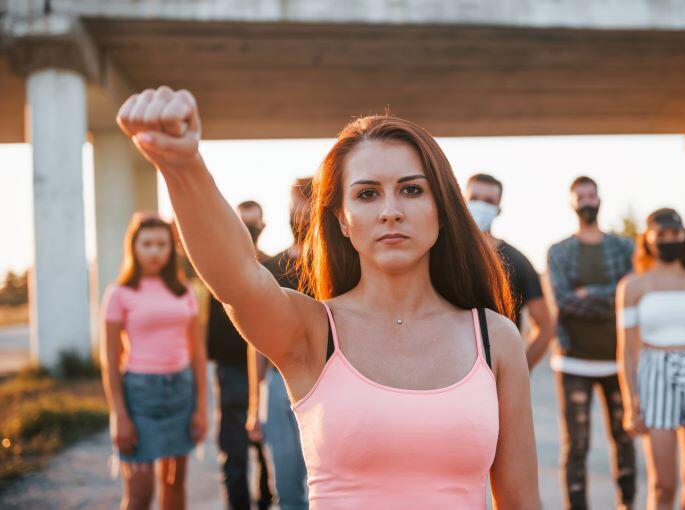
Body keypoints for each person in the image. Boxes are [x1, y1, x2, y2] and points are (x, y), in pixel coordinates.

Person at [116, 85, 541, 509]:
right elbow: (239, 278)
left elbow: (521, 502)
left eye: (411, 190)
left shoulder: (495, 338)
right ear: (342, 219)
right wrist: (183, 165)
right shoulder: (312, 331)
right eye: (367, 194)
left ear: (441, 208)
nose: (390, 210)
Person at [616, 208, 685, 510]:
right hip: (655, 374)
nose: (669, 240)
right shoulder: (632, 286)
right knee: (662, 485)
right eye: (661, 235)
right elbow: (626, 350)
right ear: (648, 239)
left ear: (684, 236)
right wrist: (631, 405)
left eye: (674, 233)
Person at [100, 213, 207, 510]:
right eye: (146, 244)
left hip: (181, 393)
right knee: (139, 494)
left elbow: (197, 352)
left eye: (162, 244)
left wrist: (201, 409)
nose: (155, 251)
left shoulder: (184, 292)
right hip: (140, 396)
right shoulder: (118, 294)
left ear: (172, 248)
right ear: (133, 247)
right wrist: (119, 415)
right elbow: (109, 359)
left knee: (175, 485)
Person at [546, 176, 636, 510]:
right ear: (572, 203)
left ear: (600, 199)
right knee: (576, 447)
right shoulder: (559, 250)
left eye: (591, 195)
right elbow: (564, 301)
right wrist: (610, 295)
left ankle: (626, 504)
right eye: (580, 196)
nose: (586, 201)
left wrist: (588, 294)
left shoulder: (624, 247)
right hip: (573, 362)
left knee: (625, 439)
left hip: (619, 360)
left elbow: (630, 296)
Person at [246, 178, 314, 510]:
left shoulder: (343, 268)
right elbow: (256, 340)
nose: (300, 213)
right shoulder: (270, 268)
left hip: (326, 379)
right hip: (278, 383)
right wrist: (254, 404)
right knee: (287, 485)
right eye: (295, 205)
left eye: (308, 204)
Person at [206, 200, 276, 510]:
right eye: (243, 225)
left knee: (267, 451)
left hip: (269, 370)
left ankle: (263, 503)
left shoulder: (275, 268)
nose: (250, 232)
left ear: (263, 227)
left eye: (253, 225)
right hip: (231, 370)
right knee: (234, 451)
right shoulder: (216, 268)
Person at [464, 173, 555, 370]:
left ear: (498, 209)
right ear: (463, 201)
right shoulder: (439, 255)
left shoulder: (517, 262)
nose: (480, 206)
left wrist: (519, 369)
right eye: (475, 199)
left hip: (496, 375)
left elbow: (545, 326)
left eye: (489, 201)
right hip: (447, 374)